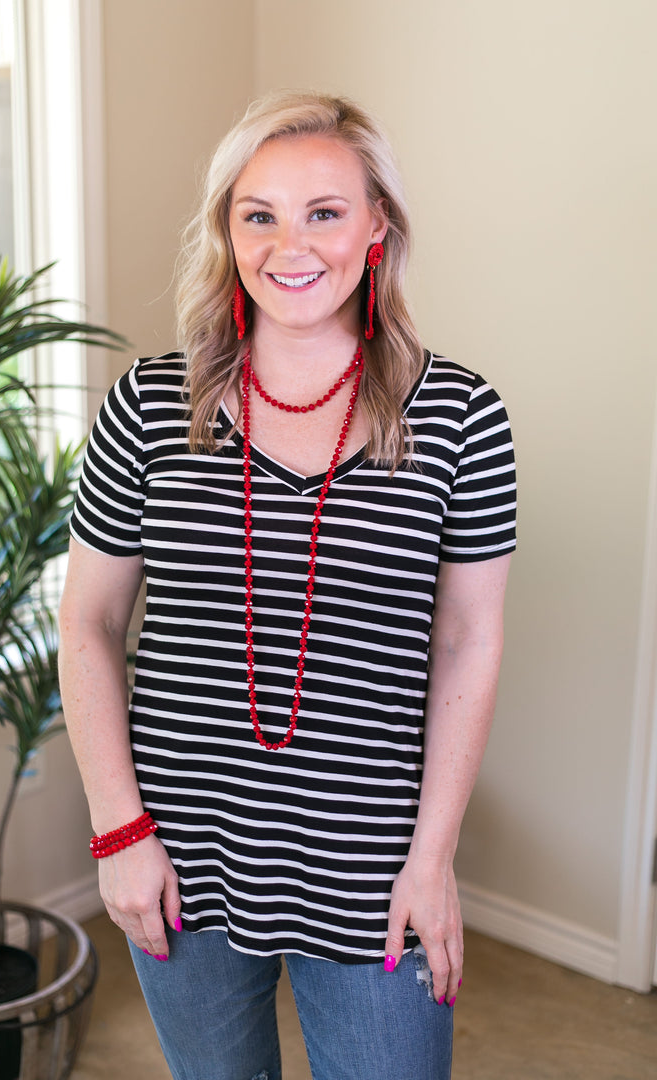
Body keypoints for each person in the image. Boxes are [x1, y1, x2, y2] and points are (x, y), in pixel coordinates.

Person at [58, 90, 516, 1080]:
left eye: (325, 210)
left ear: (376, 226)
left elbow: (468, 642)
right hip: (178, 858)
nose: (288, 243)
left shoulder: (461, 417)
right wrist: (119, 832)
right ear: (228, 231)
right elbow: (88, 623)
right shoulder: (149, 407)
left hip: (371, 868)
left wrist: (431, 861)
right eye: (256, 212)